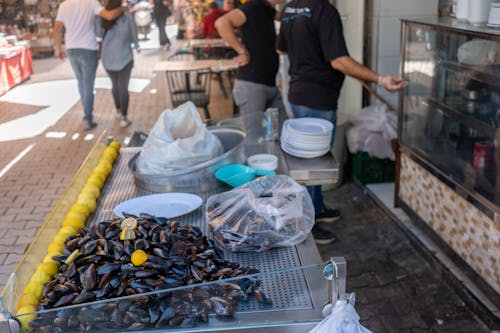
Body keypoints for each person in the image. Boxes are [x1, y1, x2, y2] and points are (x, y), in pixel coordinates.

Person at [276, 0, 405, 245]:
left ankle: (317, 208)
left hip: (298, 94)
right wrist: (380, 79)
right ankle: (308, 225)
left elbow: (281, 49)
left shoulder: (290, 8)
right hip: (318, 99)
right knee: (313, 165)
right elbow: (339, 61)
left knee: (311, 159)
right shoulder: (325, 11)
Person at [215, 0, 286, 141]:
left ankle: (273, 161)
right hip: (252, 86)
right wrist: (241, 51)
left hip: (269, 86)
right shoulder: (253, 6)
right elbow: (221, 23)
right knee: (254, 138)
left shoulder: (267, 9)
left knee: (281, 131)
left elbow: (287, 16)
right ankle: (250, 163)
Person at [53, 0, 126, 130]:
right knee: (88, 84)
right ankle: (87, 117)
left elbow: (57, 28)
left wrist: (58, 48)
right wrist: (122, 8)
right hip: (88, 48)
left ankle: (87, 113)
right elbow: (109, 16)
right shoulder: (91, 3)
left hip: (72, 49)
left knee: (81, 82)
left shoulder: (64, 5)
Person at [97, 0, 139, 127]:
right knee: (123, 87)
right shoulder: (126, 16)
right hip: (125, 56)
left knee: (115, 85)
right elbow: (133, 34)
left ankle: (119, 110)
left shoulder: (102, 17)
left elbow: (98, 34)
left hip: (107, 57)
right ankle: (124, 117)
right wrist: (136, 45)